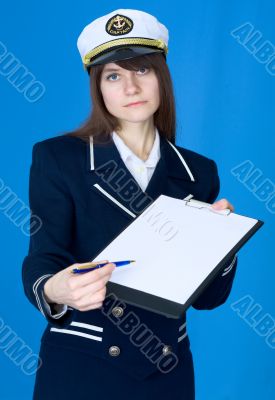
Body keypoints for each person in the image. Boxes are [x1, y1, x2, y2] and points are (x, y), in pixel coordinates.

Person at [22, 9, 238, 400]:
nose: (131, 87)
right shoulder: (60, 158)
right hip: (81, 366)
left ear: (162, 77)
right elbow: (43, 258)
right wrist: (58, 289)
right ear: (99, 88)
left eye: (142, 70)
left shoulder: (199, 172)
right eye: (114, 76)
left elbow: (208, 299)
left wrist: (223, 244)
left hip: (166, 369)